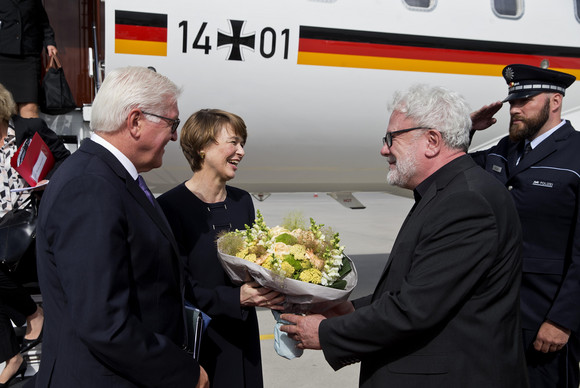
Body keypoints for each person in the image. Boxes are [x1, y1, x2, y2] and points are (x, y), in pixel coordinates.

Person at [280, 84, 528, 387]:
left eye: (391, 139)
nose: (384, 149)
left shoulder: (466, 201)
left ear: (432, 141)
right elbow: (419, 286)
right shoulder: (447, 192)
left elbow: (417, 308)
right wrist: (347, 309)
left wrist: (325, 333)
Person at [32, 67, 208, 387]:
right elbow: (103, 322)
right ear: (136, 121)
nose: (174, 136)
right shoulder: (90, 186)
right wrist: (182, 371)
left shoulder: (108, 176)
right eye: (171, 123)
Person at [469, 64, 580, 388]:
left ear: (554, 102)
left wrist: (562, 320)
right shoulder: (504, 150)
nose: (514, 110)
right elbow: (451, 171)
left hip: (545, 321)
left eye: (525, 101)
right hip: (493, 316)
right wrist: (467, 131)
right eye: (512, 103)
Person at [158, 109, 284, 388]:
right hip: (203, 338)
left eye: (242, 144)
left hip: (243, 335)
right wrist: (236, 298)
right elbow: (177, 287)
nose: (241, 152)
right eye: (233, 142)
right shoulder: (170, 207)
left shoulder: (243, 201)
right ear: (203, 147)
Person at [0, 83, 69, 386]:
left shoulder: (30, 128)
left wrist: (48, 181)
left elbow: (66, 161)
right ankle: (14, 351)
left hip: (29, 231)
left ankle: (32, 317)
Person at [0, 0, 58, 118]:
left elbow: (43, 23)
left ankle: (29, 137)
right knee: (3, 109)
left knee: (30, 108)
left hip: (28, 58)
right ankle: (6, 136)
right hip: (3, 58)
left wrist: (50, 42)